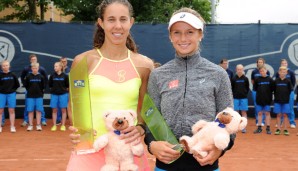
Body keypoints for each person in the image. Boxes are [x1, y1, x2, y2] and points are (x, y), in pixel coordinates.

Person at [66, 1, 153, 170]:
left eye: (123, 19)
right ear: (101, 22)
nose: (118, 26)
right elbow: (74, 104)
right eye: (111, 19)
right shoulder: (82, 61)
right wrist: (80, 130)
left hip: (128, 155)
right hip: (88, 151)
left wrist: (141, 128)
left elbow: (145, 107)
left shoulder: (145, 65)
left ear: (131, 22)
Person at [145, 7, 234, 171]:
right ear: (170, 36)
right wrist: (151, 144)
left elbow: (230, 119)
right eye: (177, 32)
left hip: (205, 164)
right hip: (166, 165)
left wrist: (220, 149)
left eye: (190, 32)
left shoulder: (218, 74)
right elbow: (151, 118)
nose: (183, 38)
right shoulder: (158, 75)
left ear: (200, 34)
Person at [20, 54, 48, 127]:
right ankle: (26, 120)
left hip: (39, 91)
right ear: (30, 61)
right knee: (28, 106)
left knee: (40, 107)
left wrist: (43, 88)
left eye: (35, 59)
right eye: (32, 60)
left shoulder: (41, 69)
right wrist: (27, 87)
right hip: (29, 91)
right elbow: (22, 77)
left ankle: (43, 120)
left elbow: (45, 78)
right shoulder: (26, 69)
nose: (34, 60)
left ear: (37, 60)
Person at [24, 62, 45, 131]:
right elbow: (26, 86)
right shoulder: (28, 76)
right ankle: (30, 125)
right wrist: (30, 91)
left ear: (38, 68)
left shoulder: (41, 77)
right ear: (31, 69)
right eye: (33, 68)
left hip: (39, 96)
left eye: (36, 68)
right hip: (30, 96)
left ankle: (38, 125)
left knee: (38, 111)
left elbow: (43, 86)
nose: (34, 69)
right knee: (30, 111)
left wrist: (40, 92)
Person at [275, 59, 296, 129]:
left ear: (287, 64)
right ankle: (280, 122)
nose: (284, 64)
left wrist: (288, 90)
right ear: (281, 64)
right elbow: (276, 82)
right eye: (282, 63)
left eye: (285, 63)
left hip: (290, 92)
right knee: (281, 109)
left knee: (290, 108)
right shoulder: (278, 73)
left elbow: (293, 82)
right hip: (281, 94)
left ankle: (292, 122)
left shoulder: (291, 72)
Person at [48, 62, 69, 131]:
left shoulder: (65, 76)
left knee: (63, 110)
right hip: (54, 95)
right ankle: (54, 125)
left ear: (60, 67)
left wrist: (62, 90)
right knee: (54, 110)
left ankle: (63, 125)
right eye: (54, 66)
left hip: (63, 95)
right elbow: (50, 85)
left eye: (56, 66)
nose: (55, 68)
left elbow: (67, 85)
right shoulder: (52, 75)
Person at [253, 66, 274, 135]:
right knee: (259, 113)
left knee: (267, 113)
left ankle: (268, 128)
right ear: (259, 72)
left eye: (263, 70)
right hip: (259, 99)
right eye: (261, 71)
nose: (262, 72)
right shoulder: (257, 79)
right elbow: (255, 89)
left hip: (267, 100)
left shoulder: (270, 79)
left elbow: (272, 89)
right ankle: (259, 128)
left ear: (266, 71)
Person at [0, 61, 20, 133]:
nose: (5, 67)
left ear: (9, 66)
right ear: (2, 67)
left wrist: (12, 90)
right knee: (0, 111)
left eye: (6, 65)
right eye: (4, 66)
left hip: (11, 94)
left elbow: (17, 85)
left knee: (11, 110)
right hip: (1, 94)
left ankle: (12, 126)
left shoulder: (13, 75)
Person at [251, 57, 270, 126]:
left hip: (265, 92)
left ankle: (263, 121)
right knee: (257, 106)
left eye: (261, 62)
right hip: (256, 91)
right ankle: (258, 121)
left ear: (263, 63)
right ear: (257, 63)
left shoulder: (267, 71)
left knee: (265, 106)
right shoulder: (254, 72)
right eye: (259, 62)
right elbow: (252, 81)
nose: (260, 63)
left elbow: (268, 80)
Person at [273, 66, 292, 135]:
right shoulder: (276, 81)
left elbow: (290, 90)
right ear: (279, 72)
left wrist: (286, 97)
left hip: (285, 101)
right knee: (278, 115)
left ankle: (285, 129)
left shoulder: (288, 81)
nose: (283, 73)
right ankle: (278, 128)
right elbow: (274, 90)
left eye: (284, 72)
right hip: (277, 101)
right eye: (281, 72)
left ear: (286, 73)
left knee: (285, 115)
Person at [231, 64, 249, 133]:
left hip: (243, 98)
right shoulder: (233, 78)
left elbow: (247, 88)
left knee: (243, 112)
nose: (239, 71)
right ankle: (236, 127)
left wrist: (244, 94)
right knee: (236, 113)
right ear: (236, 70)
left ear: (243, 70)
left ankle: (243, 127)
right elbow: (231, 88)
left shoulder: (245, 78)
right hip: (235, 98)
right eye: (238, 69)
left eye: (241, 69)